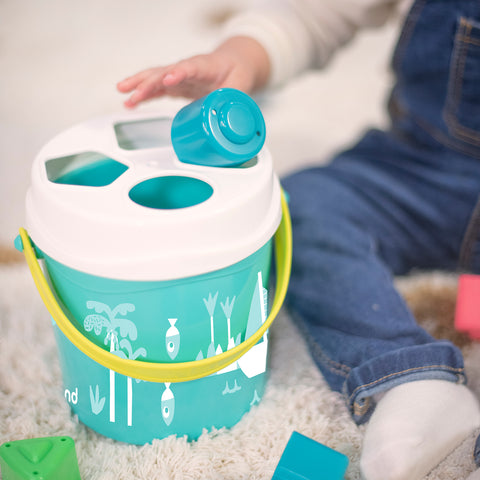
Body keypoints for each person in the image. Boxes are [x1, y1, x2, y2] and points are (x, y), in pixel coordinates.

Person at [117, 1, 480, 478]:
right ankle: (408, 379)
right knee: (296, 207)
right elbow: (317, 11)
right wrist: (244, 55)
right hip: (423, 170)